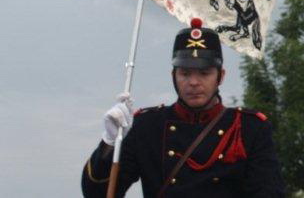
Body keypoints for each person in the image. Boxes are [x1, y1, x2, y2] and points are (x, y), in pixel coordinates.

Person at [81, 18, 285, 197]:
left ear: (220, 76)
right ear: (174, 76)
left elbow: (269, 193)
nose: (194, 82)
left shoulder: (250, 128)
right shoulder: (147, 126)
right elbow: (96, 193)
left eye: (204, 73)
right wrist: (109, 144)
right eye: (185, 73)